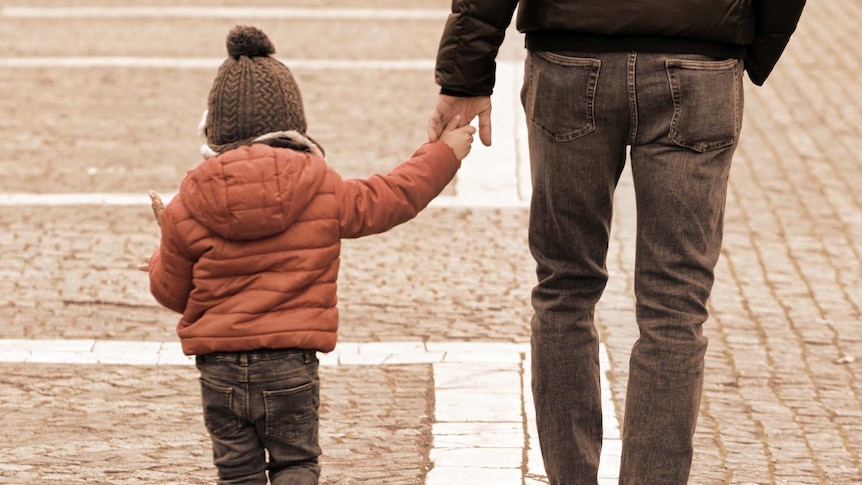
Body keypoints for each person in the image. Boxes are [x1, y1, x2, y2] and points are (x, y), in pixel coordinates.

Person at [428, 1, 805, 484]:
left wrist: (464, 75)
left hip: (571, 53)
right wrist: (742, 44)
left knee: (565, 289)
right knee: (675, 304)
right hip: (699, 59)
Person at [141, 25, 475, 485]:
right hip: (290, 365)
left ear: (216, 131)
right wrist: (443, 154)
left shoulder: (188, 205)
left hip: (219, 369)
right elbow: (393, 196)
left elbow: (172, 292)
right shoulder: (320, 187)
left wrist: (163, 251)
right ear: (292, 126)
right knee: (295, 465)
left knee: (237, 473)